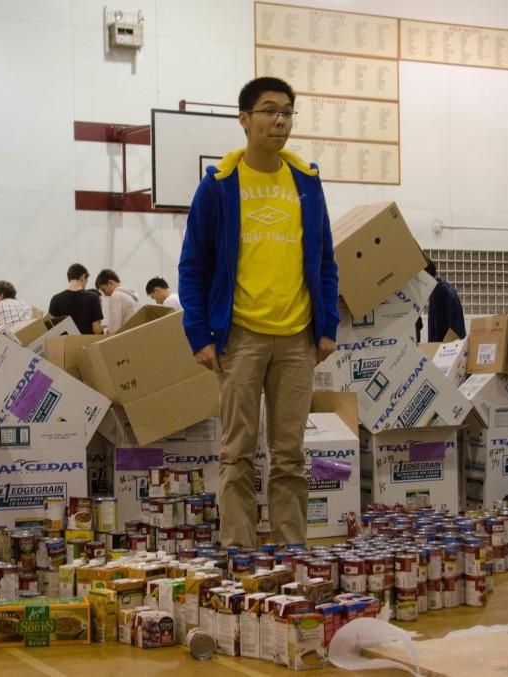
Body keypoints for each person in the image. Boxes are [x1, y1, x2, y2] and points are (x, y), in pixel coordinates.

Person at [178, 76, 338, 549]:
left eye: (287, 111)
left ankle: (293, 554)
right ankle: (239, 555)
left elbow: (326, 259)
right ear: (244, 119)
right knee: (237, 454)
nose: (280, 120)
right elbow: (193, 265)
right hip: (240, 338)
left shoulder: (306, 183)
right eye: (269, 110)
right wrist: (199, 333)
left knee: (290, 456)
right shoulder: (220, 187)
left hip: (297, 339)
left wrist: (326, 325)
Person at [48, 263, 103, 335]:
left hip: (64, 344)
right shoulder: (93, 297)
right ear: (83, 277)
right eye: (87, 281)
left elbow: (50, 329)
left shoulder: (55, 299)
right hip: (86, 344)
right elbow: (96, 329)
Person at [424, 261, 467, 342]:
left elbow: (442, 327)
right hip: (453, 342)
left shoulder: (440, 292)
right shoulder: (441, 287)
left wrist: (433, 348)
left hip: (447, 345)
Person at [95, 269, 140, 334]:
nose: (105, 295)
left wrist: (104, 331)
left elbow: (115, 329)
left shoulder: (116, 296)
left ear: (110, 282)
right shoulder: (132, 294)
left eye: (104, 290)